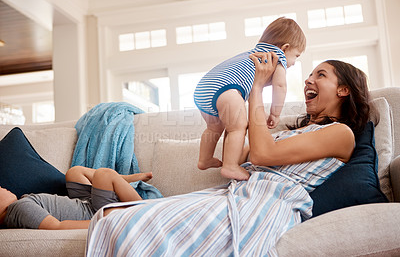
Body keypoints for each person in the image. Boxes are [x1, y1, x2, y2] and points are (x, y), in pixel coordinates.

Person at [85, 53, 374, 256]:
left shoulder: (341, 133)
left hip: (264, 205)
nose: (309, 80)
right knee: (111, 217)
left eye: (320, 75)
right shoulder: (295, 131)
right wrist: (228, 111)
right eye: (309, 74)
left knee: (131, 225)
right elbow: (245, 151)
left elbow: (261, 155)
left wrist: (257, 86)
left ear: (343, 90)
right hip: (237, 193)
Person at [194, 17, 306, 180]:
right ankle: (230, 166)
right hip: (226, 90)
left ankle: (204, 159)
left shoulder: (252, 53)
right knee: (238, 127)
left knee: (214, 128)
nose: (294, 63)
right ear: (285, 48)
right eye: (296, 56)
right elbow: (280, 86)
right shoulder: (277, 57)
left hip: (204, 88)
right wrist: (275, 113)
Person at [0, 166, 152, 229]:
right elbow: (57, 227)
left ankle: (124, 180)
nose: (2, 187)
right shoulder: (19, 208)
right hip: (93, 211)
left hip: (84, 203)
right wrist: (103, 218)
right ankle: (145, 209)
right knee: (103, 174)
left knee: (74, 172)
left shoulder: (18, 207)